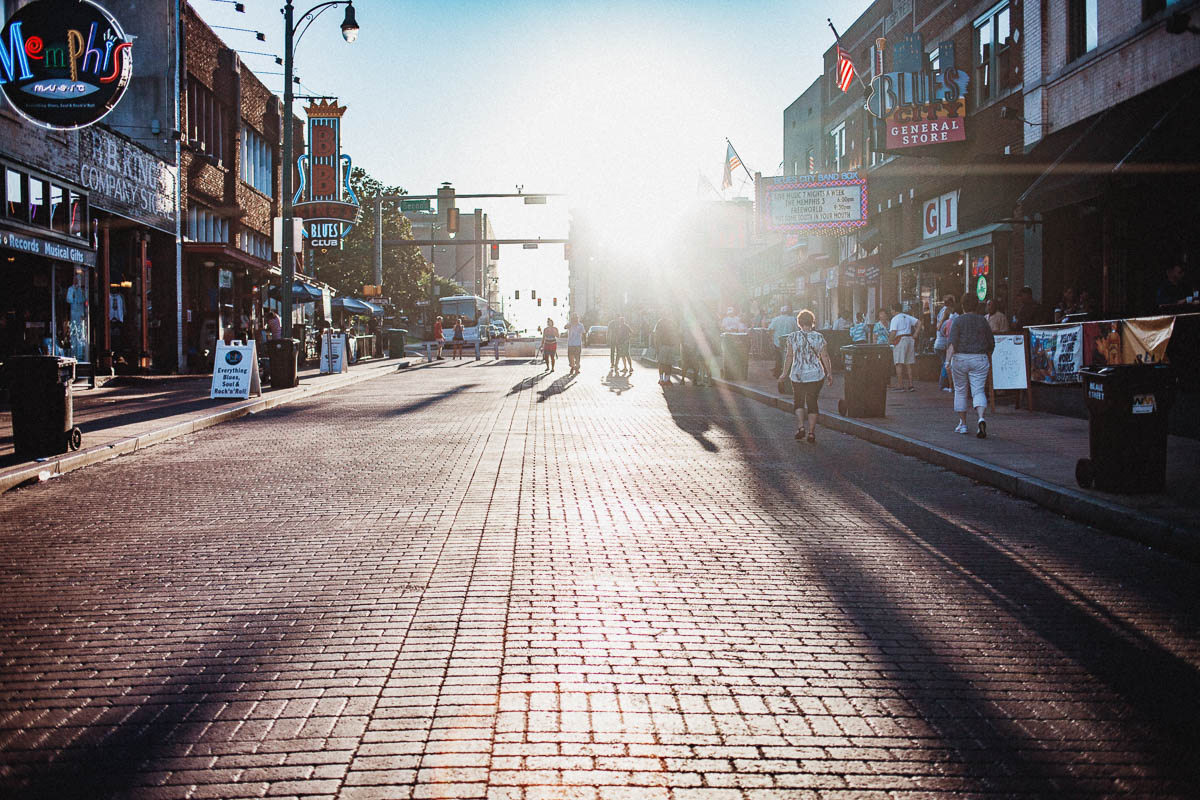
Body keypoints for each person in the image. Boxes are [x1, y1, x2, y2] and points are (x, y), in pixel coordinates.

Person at [948, 292, 996, 439]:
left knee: (961, 391)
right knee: (978, 391)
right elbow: (991, 343)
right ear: (977, 305)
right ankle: (981, 418)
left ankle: (962, 424)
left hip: (960, 358)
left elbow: (952, 344)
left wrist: (947, 361)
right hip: (979, 358)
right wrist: (987, 356)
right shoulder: (983, 320)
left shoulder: (958, 321)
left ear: (962, 306)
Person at [781, 309, 833, 444]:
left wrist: (784, 373)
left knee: (798, 401)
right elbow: (825, 356)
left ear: (799, 323)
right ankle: (811, 432)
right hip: (815, 375)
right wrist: (829, 373)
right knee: (812, 402)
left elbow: (789, 356)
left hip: (797, 374)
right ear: (812, 322)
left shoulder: (792, 337)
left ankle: (800, 427)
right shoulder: (819, 337)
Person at [888, 303, 921, 392]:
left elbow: (893, 332)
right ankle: (911, 385)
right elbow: (919, 322)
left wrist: (890, 341)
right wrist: (916, 334)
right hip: (909, 338)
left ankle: (900, 385)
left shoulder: (895, 319)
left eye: (891, 310)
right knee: (908, 363)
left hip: (900, 339)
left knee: (898, 363)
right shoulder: (907, 316)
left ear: (894, 310)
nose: (891, 311)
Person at [933, 295, 959, 393]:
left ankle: (946, 384)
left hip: (941, 343)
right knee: (946, 364)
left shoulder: (944, 312)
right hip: (944, 343)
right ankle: (944, 384)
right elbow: (940, 328)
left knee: (945, 364)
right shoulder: (948, 314)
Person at [767, 305, 797, 377]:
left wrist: (771, 338)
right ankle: (789, 372)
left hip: (777, 341)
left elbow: (770, 329)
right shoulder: (793, 319)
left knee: (778, 357)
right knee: (789, 357)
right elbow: (796, 330)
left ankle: (777, 372)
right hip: (790, 341)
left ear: (781, 312)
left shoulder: (775, 319)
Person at [653, 313, 680, 384]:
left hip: (663, 345)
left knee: (661, 363)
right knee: (669, 363)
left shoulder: (659, 323)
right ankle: (667, 379)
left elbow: (656, 335)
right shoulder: (672, 323)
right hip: (671, 345)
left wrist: (656, 346)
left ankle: (662, 379)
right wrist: (676, 345)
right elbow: (676, 334)